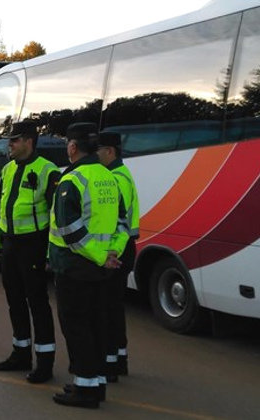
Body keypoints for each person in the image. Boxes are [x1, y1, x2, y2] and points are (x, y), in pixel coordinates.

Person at [49, 122, 126, 409]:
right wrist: (110, 253)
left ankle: (84, 388)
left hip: (76, 267)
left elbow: (70, 231)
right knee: (95, 325)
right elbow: (122, 224)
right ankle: (96, 383)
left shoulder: (72, 180)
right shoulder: (108, 178)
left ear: (72, 146)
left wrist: (97, 255)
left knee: (77, 326)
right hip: (101, 268)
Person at [0, 120, 61, 384]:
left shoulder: (48, 171)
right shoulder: (7, 169)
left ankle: (45, 363)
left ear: (29, 142)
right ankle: (20, 354)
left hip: (34, 245)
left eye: (14, 140)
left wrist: (49, 253)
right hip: (10, 246)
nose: (9, 145)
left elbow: (57, 217)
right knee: (15, 302)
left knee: (38, 305)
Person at [96, 131, 140, 382]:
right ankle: (118, 359)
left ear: (110, 151)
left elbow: (119, 222)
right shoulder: (121, 174)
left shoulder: (115, 178)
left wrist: (109, 252)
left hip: (118, 249)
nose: (95, 155)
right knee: (113, 307)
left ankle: (111, 363)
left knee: (107, 308)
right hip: (122, 248)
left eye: (99, 150)